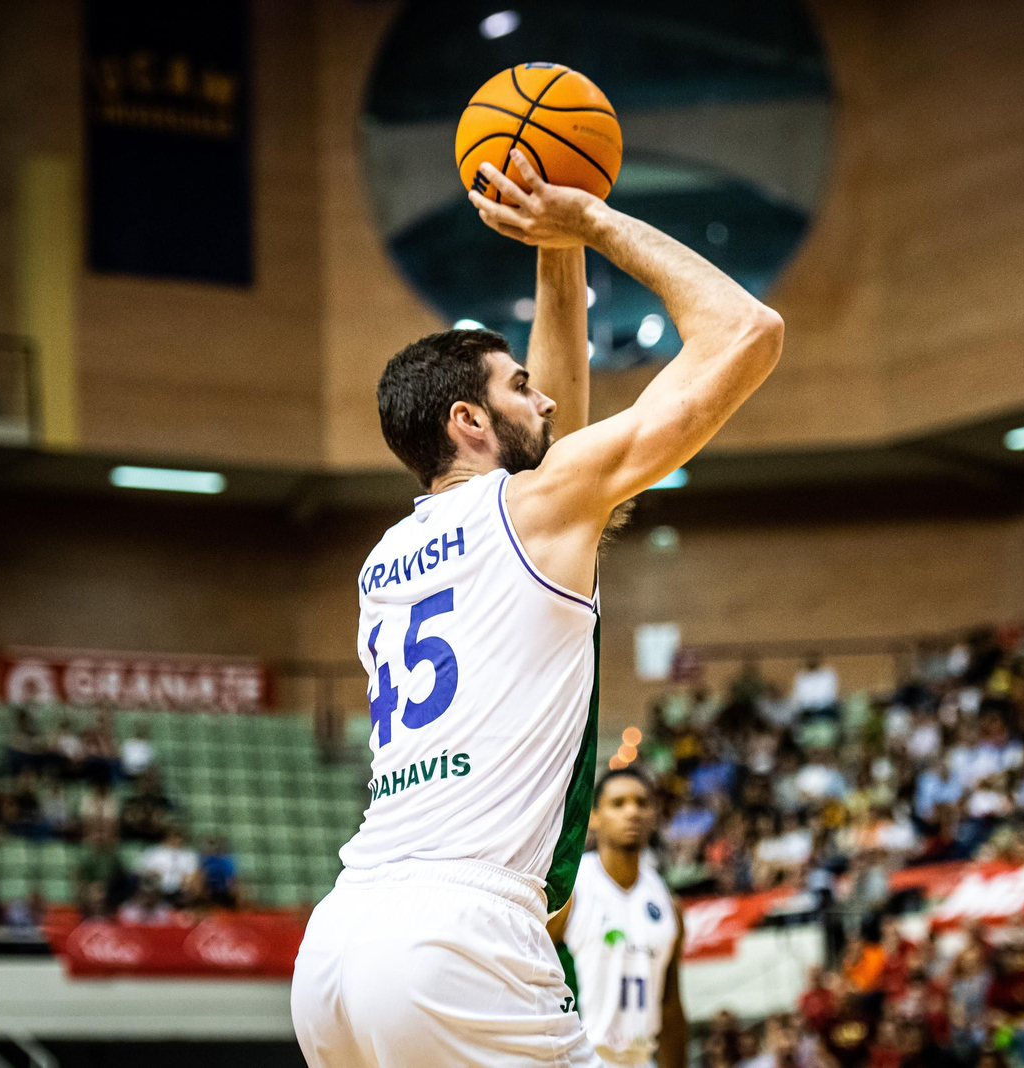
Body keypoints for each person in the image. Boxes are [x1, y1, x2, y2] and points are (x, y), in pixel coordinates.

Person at [290, 143, 783, 1068]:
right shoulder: (537, 508)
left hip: (340, 946)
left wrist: (556, 252)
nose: (546, 395)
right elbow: (747, 331)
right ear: (468, 422)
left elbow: (553, 439)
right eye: (519, 387)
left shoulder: (386, 559)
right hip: (460, 937)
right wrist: (593, 223)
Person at [558, 769, 686, 1068]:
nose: (632, 811)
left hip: (641, 1059)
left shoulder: (667, 902)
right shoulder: (571, 890)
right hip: (580, 1058)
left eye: (642, 803)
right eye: (618, 803)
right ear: (594, 817)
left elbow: (670, 1006)